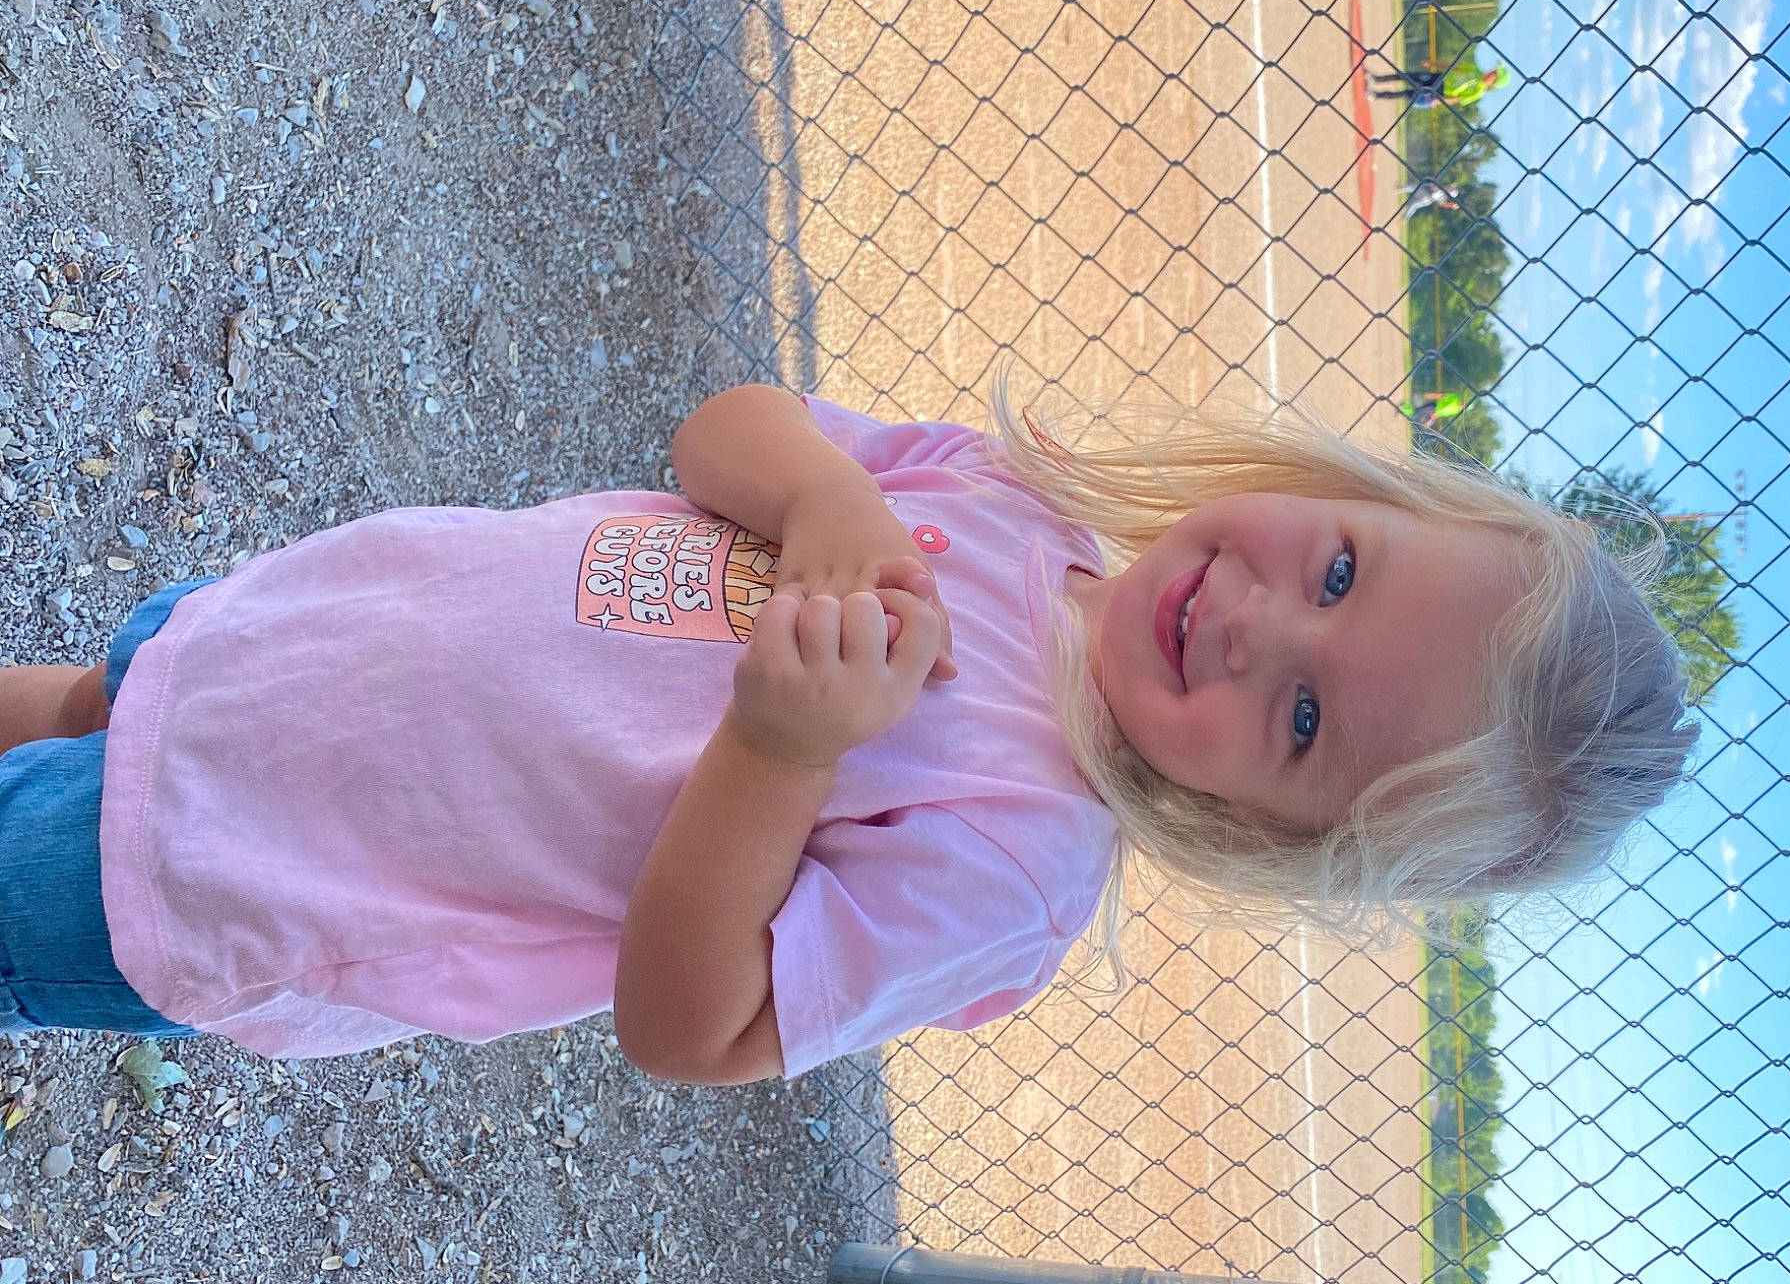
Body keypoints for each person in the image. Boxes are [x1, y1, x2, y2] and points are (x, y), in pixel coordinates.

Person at [0, 383, 1696, 1083]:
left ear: (1272, 823)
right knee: (98, 699)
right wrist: (818, 494)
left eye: (1308, 716)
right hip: (321, 641)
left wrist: (781, 746)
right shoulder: (1011, 505)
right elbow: (717, 433)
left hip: (277, 862)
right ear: (1340, 495)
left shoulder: (1018, 857)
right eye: (1336, 566)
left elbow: (695, 1027)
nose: (1260, 627)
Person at [1371, 59, 1509, 111]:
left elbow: (1457, 99)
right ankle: (1376, 79)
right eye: (1494, 70)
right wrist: (1433, 63)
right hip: (1439, 79)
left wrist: (1439, 101)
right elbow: (1452, 66)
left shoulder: (1478, 92)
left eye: (1495, 73)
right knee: (1406, 76)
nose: (1492, 71)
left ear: (1494, 81)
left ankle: (1376, 95)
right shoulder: (1474, 69)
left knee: (1408, 94)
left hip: (1440, 92)